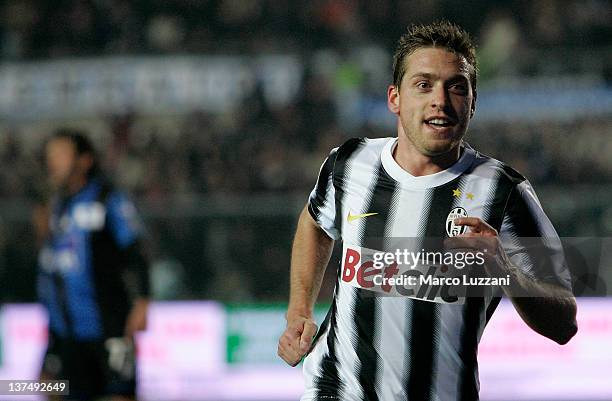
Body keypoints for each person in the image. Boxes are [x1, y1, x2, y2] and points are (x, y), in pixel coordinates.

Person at [277, 21, 577, 401]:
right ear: (394, 99)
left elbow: (564, 323)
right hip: (336, 389)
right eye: (423, 85)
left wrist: (504, 270)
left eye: (456, 86)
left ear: (473, 102)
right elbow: (316, 221)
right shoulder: (350, 163)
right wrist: (299, 311)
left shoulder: (504, 191)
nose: (441, 99)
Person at [37, 129, 150, 401]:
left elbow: (136, 249)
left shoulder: (108, 200)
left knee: (119, 395)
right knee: (47, 389)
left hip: (109, 328)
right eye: (50, 155)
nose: (53, 161)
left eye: (61, 154)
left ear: (84, 160)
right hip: (65, 335)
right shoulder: (54, 208)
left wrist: (143, 300)